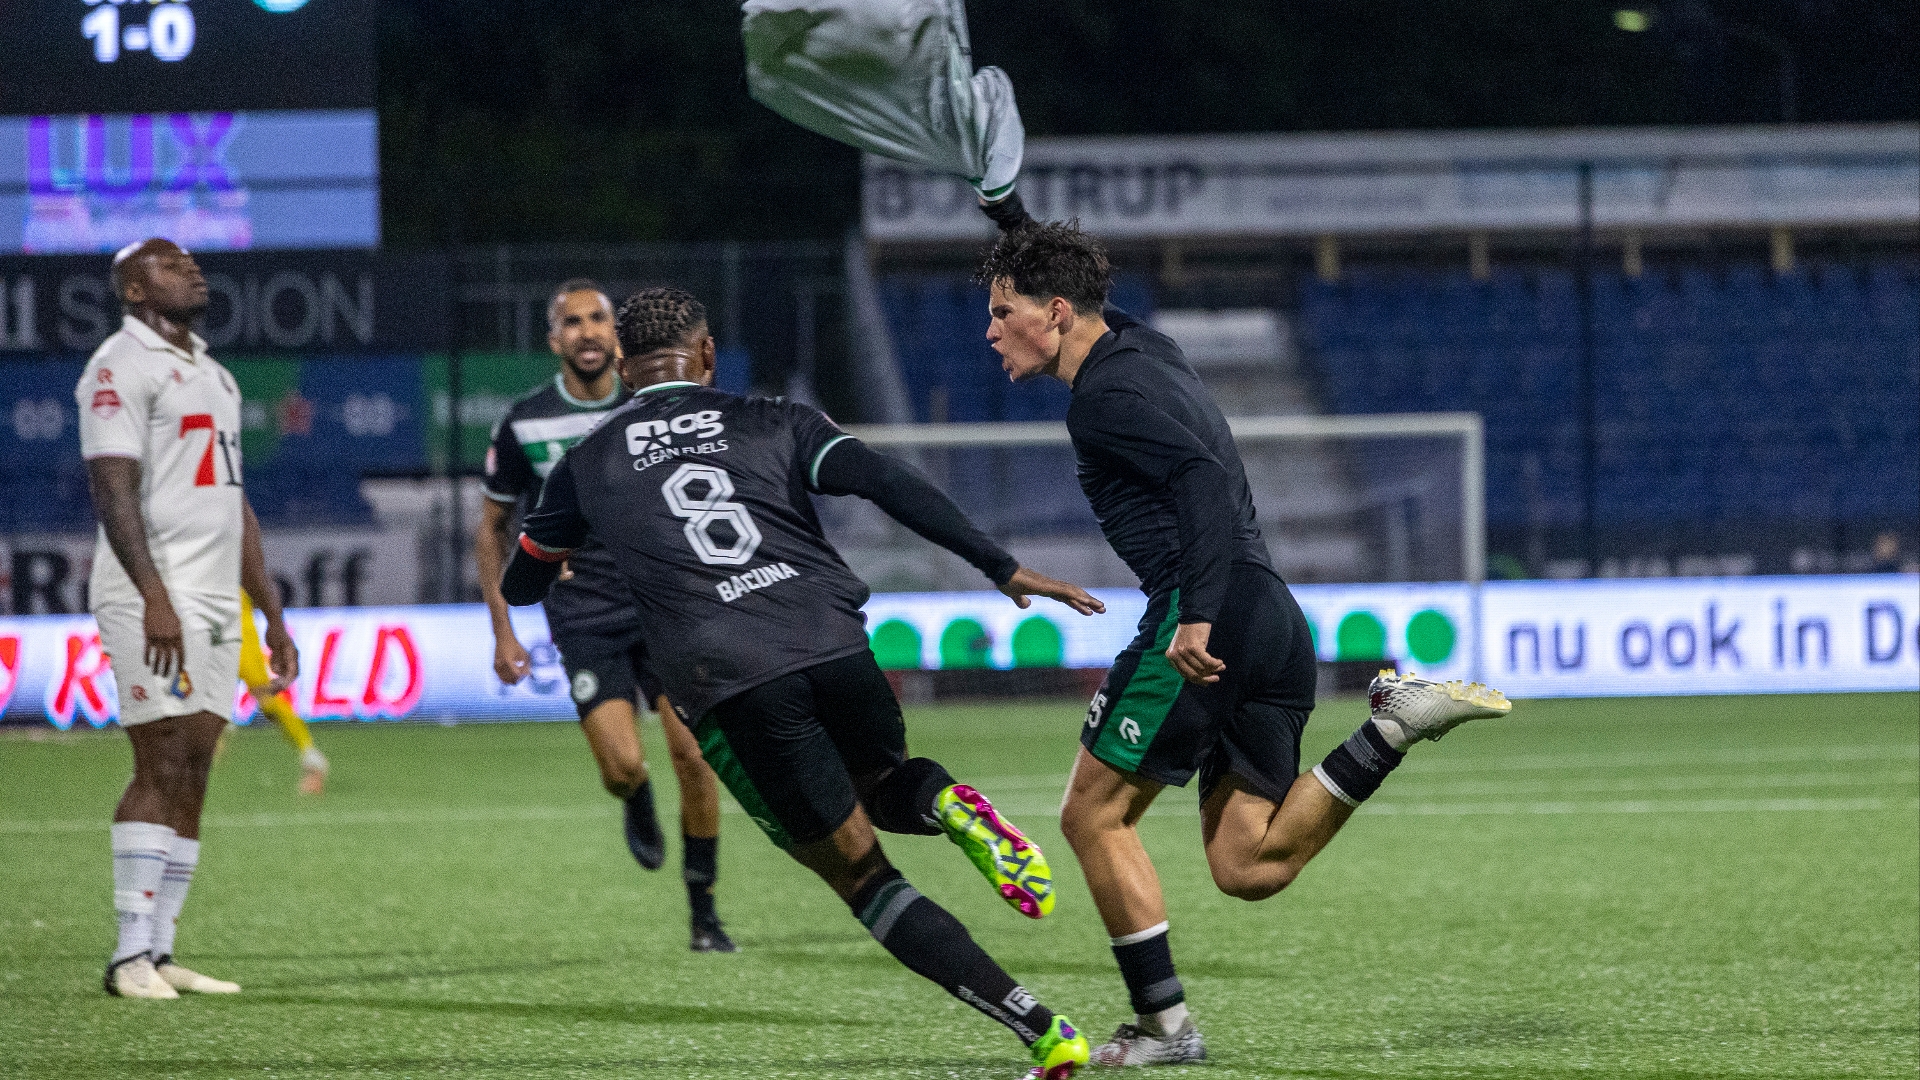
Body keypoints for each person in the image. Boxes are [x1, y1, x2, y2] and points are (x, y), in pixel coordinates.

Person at [501, 285, 1101, 1079]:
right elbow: (885, 480)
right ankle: (947, 801)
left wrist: (556, 552)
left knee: (860, 874)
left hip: (730, 676)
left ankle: (1042, 1028)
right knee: (884, 783)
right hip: (832, 637)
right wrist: (999, 564)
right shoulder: (774, 418)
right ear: (706, 354)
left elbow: (521, 584)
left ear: (622, 364)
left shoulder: (588, 463)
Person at [974, 209, 1513, 1066]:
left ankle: (1164, 1028)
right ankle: (1389, 729)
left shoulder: (1103, 402)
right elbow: (1076, 277)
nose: (991, 331)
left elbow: (1195, 481)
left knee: (1091, 817)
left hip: (1207, 619)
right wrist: (1011, 223)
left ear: (1058, 315)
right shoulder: (1145, 349)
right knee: (1248, 864)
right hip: (1271, 620)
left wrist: (1191, 617)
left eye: (1005, 312)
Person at [475, 279, 736, 952]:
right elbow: (492, 526)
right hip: (584, 614)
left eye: (599, 319)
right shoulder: (524, 421)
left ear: (618, 336)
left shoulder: (651, 406)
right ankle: (634, 796)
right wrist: (503, 626)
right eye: (573, 321)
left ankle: (704, 913)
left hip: (664, 605)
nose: (587, 331)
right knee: (622, 766)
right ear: (553, 337)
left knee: (694, 756)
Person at [79, 238, 300, 999]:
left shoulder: (214, 373)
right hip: (153, 594)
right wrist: (154, 595)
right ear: (136, 289)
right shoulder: (119, 364)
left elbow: (234, 501)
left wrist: (270, 610)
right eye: (173, 265)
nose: (194, 270)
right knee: (161, 757)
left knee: (198, 765)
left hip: (213, 599)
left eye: (192, 263)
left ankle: (163, 949)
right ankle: (127, 955)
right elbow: (112, 488)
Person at [238, 587, 329, 795]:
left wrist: (274, 621)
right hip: (200, 622)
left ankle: (312, 758)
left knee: (265, 698)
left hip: (232, 626)